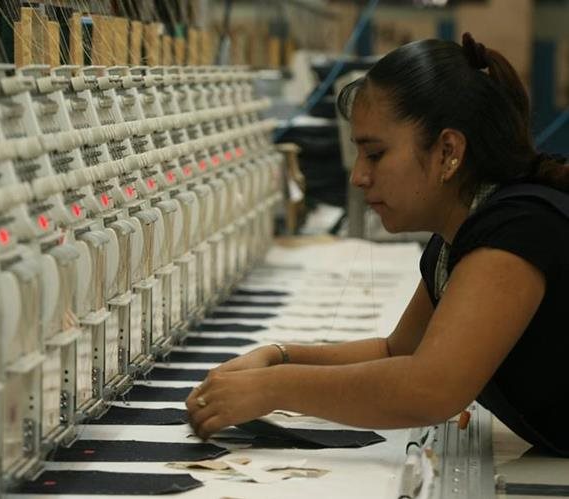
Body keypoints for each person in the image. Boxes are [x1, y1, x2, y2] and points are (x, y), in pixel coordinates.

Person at [186, 33, 569, 456]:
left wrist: (273, 389)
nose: (359, 177)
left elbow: (430, 389)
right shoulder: (459, 240)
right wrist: (277, 358)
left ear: (448, 151)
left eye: (375, 154)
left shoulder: (517, 229)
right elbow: (398, 351)